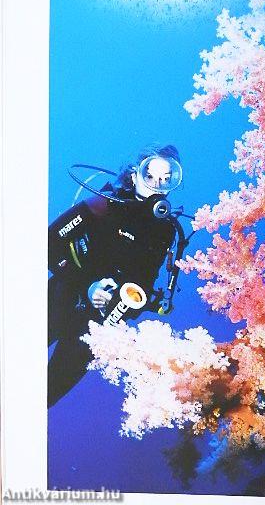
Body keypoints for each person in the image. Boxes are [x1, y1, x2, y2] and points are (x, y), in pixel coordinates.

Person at [48, 144, 185, 407]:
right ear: (134, 175)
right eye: (150, 176)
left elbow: (143, 285)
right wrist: (88, 286)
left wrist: (130, 302)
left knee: (47, 393)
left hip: (99, 326)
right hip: (59, 298)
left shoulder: (165, 231)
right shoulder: (103, 205)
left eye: (166, 179)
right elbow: (49, 245)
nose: (158, 186)